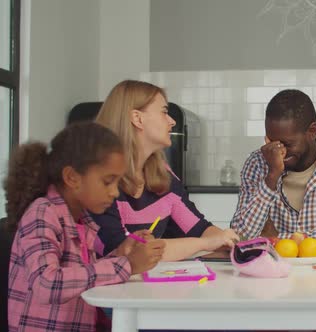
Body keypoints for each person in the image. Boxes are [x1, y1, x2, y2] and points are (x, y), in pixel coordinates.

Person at [5, 122, 165, 332]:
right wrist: (128, 265)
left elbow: (81, 275)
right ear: (72, 178)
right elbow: (46, 283)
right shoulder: (43, 213)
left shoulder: (81, 219)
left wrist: (120, 254)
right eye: (108, 182)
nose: (115, 192)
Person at [93, 80, 239, 261]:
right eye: (164, 112)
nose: (172, 121)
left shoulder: (162, 173)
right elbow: (123, 251)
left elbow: (197, 228)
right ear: (138, 119)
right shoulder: (99, 179)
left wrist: (231, 243)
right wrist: (206, 244)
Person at [231, 89, 316, 247]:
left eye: (287, 144)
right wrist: (272, 177)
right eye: (271, 141)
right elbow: (240, 234)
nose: (279, 151)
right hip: (273, 267)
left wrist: (277, 238)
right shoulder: (257, 163)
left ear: (312, 131)